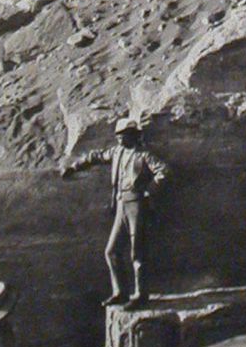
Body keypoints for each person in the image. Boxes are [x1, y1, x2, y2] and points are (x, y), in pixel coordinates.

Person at [60, 116, 169, 306]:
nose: (119, 139)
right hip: (121, 205)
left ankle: (140, 296)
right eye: (118, 136)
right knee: (111, 251)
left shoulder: (144, 155)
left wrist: (148, 190)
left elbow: (164, 171)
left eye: (123, 135)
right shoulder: (117, 152)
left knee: (137, 253)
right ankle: (120, 292)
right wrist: (74, 166)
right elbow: (96, 156)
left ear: (133, 136)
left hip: (137, 205)